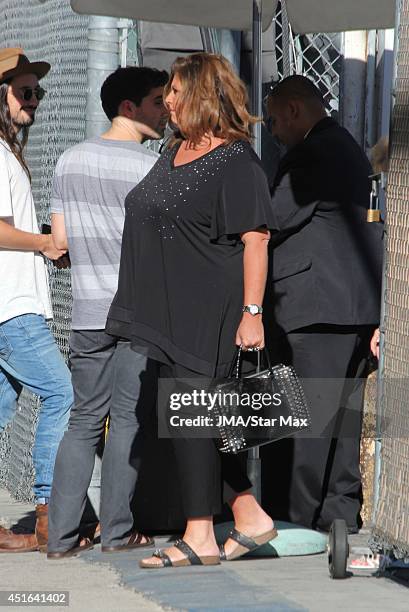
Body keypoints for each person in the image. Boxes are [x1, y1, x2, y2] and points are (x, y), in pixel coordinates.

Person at [106, 52, 276, 569]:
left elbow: (256, 239)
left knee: (194, 416)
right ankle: (247, 515)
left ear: (202, 94)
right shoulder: (172, 152)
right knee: (186, 417)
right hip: (167, 309)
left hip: (210, 307)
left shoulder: (235, 159)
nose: (169, 100)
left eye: (176, 91)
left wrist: (252, 312)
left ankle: (200, 534)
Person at [47, 66, 169, 558]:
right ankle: (116, 532)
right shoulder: (150, 167)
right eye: (157, 102)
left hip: (85, 310)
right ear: (129, 108)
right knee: (127, 421)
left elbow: (59, 243)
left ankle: (58, 538)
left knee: (83, 420)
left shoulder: (68, 160)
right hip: (135, 311)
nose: (165, 110)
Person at [264, 75, 383, 533]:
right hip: (349, 310)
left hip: (318, 309)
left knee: (308, 424)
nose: (272, 130)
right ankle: (338, 513)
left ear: (294, 110)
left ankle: (296, 521)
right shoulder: (347, 148)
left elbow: (273, 217)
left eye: (274, 120)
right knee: (341, 421)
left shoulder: (312, 154)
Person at [0, 48, 72, 552]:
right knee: (61, 392)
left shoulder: (8, 154)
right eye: (25, 92)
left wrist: (44, 242)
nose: (34, 101)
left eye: (38, 92)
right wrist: (45, 243)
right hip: (13, 307)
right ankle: (50, 513)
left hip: (11, 302)